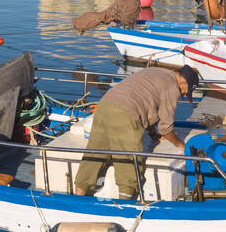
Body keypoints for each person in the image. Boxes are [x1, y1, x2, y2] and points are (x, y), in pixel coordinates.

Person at [73, 66, 199, 199]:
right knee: (128, 162)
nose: (184, 95)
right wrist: (180, 145)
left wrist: (152, 134)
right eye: (186, 92)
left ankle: (77, 199)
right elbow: (166, 128)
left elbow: (147, 103)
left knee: (94, 154)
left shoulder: (155, 71)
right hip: (125, 113)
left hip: (104, 106)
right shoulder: (172, 87)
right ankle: (125, 207)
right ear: (182, 82)